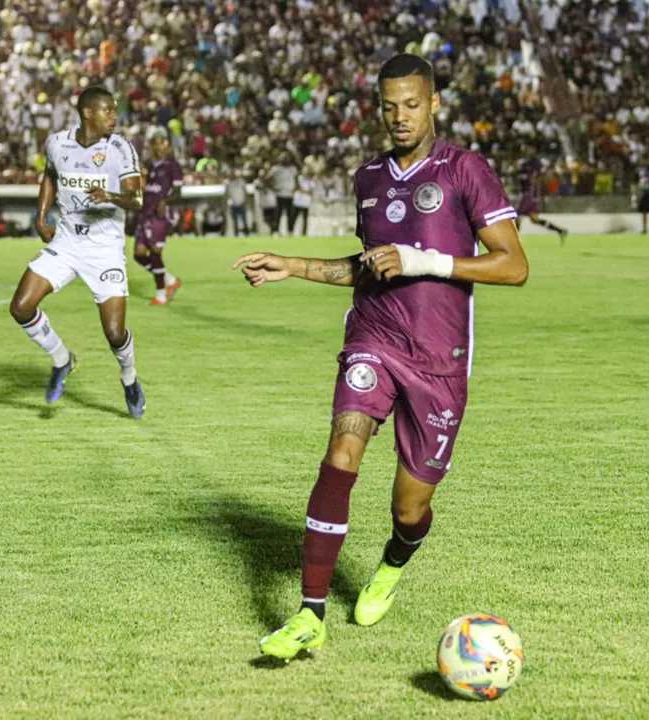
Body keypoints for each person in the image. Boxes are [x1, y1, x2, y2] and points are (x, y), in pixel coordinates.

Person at [235, 54, 528, 661]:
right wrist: (292, 266)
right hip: (373, 337)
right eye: (389, 106)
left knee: (410, 506)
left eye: (412, 104)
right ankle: (309, 614)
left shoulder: (465, 170)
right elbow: (367, 266)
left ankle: (394, 561)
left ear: (435, 103)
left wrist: (421, 261)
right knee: (341, 451)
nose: (400, 117)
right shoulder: (368, 176)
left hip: (439, 360)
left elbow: (514, 265)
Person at [7, 86, 147, 417]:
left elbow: (137, 199)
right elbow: (50, 176)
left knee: (114, 333)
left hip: (105, 248)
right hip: (67, 241)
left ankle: (129, 378)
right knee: (21, 307)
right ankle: (61, 359)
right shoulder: (57, 142)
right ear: (88, 113)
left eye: (115, 110)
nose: (115, 116)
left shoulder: (120, 149)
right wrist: (41, 217)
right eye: (108, 110)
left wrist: (110, 197)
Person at [134, 129, 183, 306]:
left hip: (160, 216)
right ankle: (169, 279)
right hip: (146, 212)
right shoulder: (149, 164)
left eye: (164, 142)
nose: (162, 146)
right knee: (138, 255)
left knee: (155, 253)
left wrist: (165, 200)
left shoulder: (172, 165)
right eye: (158, 142)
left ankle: (161, 294)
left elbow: (178, 192)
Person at [516, 145, 567, 243]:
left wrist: (537, 181)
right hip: (530, 194)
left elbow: (543, 176)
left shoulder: (536, 163)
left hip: (529, 194)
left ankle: (515, 241)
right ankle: (560, 231)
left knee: (517, 215)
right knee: (534, 220)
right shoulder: (524, 163)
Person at [266, 152, 298, 236]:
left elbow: (296, 179)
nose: (285, 160)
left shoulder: (293, 169)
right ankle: (276, 231)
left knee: (290, 214)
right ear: (280, 159)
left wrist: (295, 189)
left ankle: (290, 231)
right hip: (279, 194)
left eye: (287, 158)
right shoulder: (276, 169)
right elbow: (267, 179)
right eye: (284, 158)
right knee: (277, 214)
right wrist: (273, 188)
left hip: (290, 195)